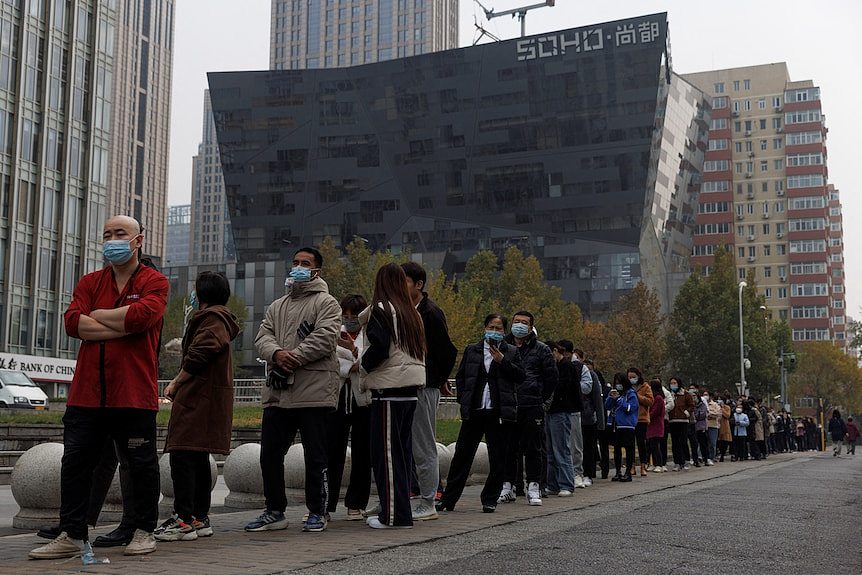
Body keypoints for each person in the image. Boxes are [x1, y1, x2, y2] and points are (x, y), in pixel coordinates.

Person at [30, 216, 168, 560]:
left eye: (120, 233)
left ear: (138, 241)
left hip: (133, 393)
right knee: (76, 465)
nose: (112, 240)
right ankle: (72, 533)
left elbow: (142, 318)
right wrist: (121, 322)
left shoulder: (156, 282)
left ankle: (143, 530)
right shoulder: (90, 281)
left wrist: (100, 314)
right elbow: (73, 322)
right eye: (106, 234)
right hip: (86, 394)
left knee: (141, 466)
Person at [247, 247, 341, 534]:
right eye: (296, 262)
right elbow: (262, 336)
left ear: (316, 271)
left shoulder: (327, 303)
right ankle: (274, 510)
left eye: (306, 263)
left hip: (314, 390)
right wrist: (276, 354)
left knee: (316, 455)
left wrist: (294, 357)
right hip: (279, 392)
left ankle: (318, 511)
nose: (299, 267)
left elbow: (326, 337)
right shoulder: (278, 305)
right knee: (270, 455)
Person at [157, 272, 240, 541]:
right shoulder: (219, 318)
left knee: (183, 455)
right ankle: (198, 518)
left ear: (202, 294)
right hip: (206, 399)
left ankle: (183, 519)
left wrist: (175, 383)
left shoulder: (212, 319)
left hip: (198, 399)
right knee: (197, 456)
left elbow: (199, 354)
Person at [359, 263, 426, 528]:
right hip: (409, 392)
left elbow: (379, 348)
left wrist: (361, 367)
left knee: (386, 456)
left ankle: (394, 516)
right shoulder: (411, 313)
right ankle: (401, 513)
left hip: (388, 391)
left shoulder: (382, 310)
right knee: (400, 455)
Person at [437, 314, 524, 513]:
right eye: (491, 327)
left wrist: (502, 361)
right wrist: (464, 400)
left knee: (497, 458)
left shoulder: (510, 352)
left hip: (498, 412)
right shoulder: (472, 350)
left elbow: (520, 376)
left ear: (504, 331)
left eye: (499, 328)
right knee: (461, 456)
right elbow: (461, 377)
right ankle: (449, 499)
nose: (494, 331)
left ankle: (490, 498)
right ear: (484, 328)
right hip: (475, 411)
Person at [401, 262, 457, 522]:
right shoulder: (403, 310)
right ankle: (404, 497)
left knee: (424, 446)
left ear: (419, 284)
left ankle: (428, 500)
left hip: (423, 386)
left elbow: (446, 351)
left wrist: (435, 378)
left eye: (405, 281)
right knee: (404, 446)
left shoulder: (430, 313)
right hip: (403, 384)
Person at [499, 311, 557, 506]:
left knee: (533, 448)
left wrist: (540, 397)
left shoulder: (541, 350)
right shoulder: (502, 347)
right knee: (508, 448)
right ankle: (508, 486)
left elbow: (551, 378)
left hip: (532, 405)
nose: (520, 325)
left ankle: (534, 486)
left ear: (531, 326)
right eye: (516, 322)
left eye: (524, 323)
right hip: (509, 405)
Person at [325, 294, 372, 521]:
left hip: (363, 399)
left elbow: (371, 361)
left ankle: (356, 503)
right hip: (338, 397)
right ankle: (326, 504)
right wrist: (350, 361)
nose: (350, 318)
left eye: (354, 314)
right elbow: (333, 362)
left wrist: (354, 357)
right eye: (346, 314)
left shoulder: (370, 333)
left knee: (363, 453)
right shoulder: (335, 333)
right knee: (332, 452)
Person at [544, 341, 577, 496]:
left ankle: (566, 483)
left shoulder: (567, 367)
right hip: (550, 411)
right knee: (550, 450)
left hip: (561, 411)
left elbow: (562, 387)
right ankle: (553, 483)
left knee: (561, 449)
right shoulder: (552, 367)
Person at [606, 373, 638, 482]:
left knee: (629, 449)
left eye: (620, 382)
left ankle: (628, 472)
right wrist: (611, 397)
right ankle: (618, 471)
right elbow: (607, 406)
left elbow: (630, 408)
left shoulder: (631, 394)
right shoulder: (615, 393)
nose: (618, 385)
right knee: (616, 449)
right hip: (615, 425)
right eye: (616, 382)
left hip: (627, 425)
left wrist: (619, 399)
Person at [580, 358, 605, 485]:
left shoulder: (593, 377)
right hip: (575, 416)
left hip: (588, 418)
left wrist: (600, 422)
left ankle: (588, 474)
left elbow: (597, 399)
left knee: (588, 447)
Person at [667, 377, 694, 472]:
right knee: (675, 442)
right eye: (671, 383)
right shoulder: (669, 394)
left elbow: (691, 405)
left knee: (683, 441)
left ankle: (686, 460)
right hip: (673, 421)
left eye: (674, 383)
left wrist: (686, 412)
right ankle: (677, 462)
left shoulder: (686, 394)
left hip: (683, 421)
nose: (673, 385)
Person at [631, 368, 653, 477]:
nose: (631, 379)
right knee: (630, 443)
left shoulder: (645, 387)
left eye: (633, 377)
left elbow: (650, 401)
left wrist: (637, 396)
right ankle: (632, 466)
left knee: (641, 442)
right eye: (629, 377)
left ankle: (643, 465)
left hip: (641, 418)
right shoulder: (627, 387)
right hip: (629, 419)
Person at [645, 379, 666, 472]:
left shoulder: (658, 398)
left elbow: (655, 411)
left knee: (655, 445)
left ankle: (659, 464)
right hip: (651, 424)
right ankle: (653, 463)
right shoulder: (654, 397)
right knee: (651, 445)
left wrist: (647, 415)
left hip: (656, 424)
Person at [705, 391, 720, 464]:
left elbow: (717, 414)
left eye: (707, 395)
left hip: (713, 426)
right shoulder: (702, 404)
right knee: (704, 443)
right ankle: (704, 457)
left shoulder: (715, 405)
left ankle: (711, 457)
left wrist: (708, 414)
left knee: (712, 443)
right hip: (704, 426)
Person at [717, 397, 733, 462]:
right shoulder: (715, 406)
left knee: (725, 441)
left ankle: (722, 455)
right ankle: (719, 453)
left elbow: (727, 415)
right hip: (717, 425)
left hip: (725, 426)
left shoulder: (727, 407)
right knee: (719, 442)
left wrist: (722, 408)